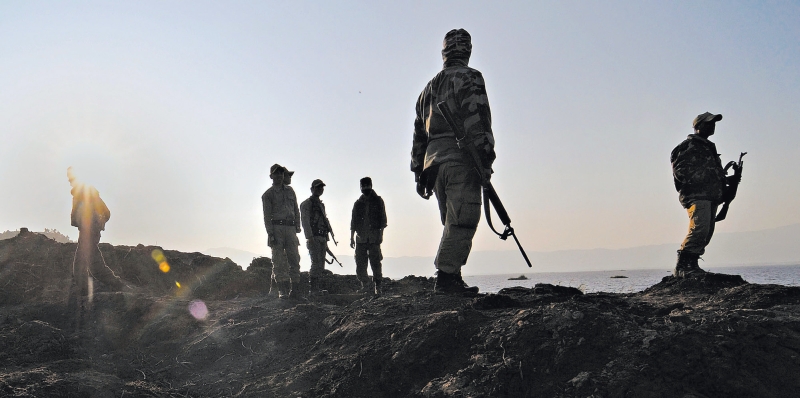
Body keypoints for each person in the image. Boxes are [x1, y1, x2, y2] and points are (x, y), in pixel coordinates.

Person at [411, 29, 495, 294]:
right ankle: (446, 278)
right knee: (463, 219)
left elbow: (418, 135)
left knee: (451, 220)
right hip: (461, 159)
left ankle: (452, 276)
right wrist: (485, 158)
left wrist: (418, 171)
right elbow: (477, 120)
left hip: (434, 165)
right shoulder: (470, 78)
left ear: (444, 53)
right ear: (467, 51)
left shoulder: (427, 89)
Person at [671, 112, 740, 277]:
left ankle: (692, 264)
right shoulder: (688, 146)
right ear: (697, 126)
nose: (712, 126)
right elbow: (681, 172)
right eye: (708, 123)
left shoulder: (708, 147)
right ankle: (683, 267)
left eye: (713, 123)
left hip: (711, 196)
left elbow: (713, 174)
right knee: (699, 229)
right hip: (697, 196)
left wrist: (728, 181)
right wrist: (708, 178)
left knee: (706, 233)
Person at [68, 167, 125, 296]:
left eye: (71, 178)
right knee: (93, 262)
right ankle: (114, 283)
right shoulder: (78, 194)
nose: (70, 181)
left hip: (91, 232)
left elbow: (106, 212)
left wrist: (98, 224)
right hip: (86, 231)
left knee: (82, 263)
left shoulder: (89, 193)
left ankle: (85, 291)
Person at [262, 164, 303, 299]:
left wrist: (298, 225)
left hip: (290, 228)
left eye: (281, 173)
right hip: (276, 228)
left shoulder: (290, 191)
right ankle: (283, 291)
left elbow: (296, 209)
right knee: (278, 260)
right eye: (276, 174)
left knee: (294, 258)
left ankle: (296, 290)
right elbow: (267, 216)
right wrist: (270, 234)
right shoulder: (268, 195)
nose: (279, 176)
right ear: (271, 176)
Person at [350, 177, 387, 296]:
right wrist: (351, 238)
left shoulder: (378, 201)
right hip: (360, 238)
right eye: (363, 186)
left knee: (375, 262)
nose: (365, 188)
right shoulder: (358, 203)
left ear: (371, 185)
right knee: (360, 263)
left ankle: (378, 286)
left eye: (367, 185)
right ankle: (365, 285)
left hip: (374, 237)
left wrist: (381, 236)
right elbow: (353, 222)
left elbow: (383, 221)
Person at [300, 179, 332, 296]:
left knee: (320, 264)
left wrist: (327, 238)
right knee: (316, 263)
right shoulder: (307, 204)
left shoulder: (320, 204)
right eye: (317, 187)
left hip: (322, 236)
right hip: (314, 237)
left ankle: (317, 289)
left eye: (321, 188)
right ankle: (313, 290)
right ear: (312, 189)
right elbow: (305, 221)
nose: (320, 189)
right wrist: (309, 237)